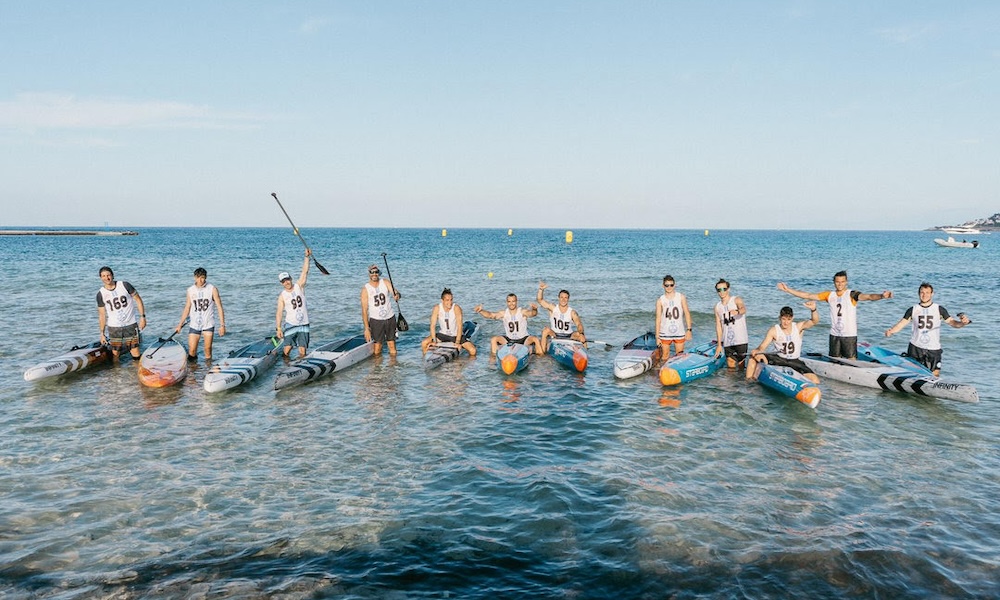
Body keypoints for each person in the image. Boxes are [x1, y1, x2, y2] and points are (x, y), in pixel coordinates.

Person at [777, 270, 892, 359]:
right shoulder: (829, 295)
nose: (840, 284)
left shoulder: (852, 294)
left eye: (842, 282)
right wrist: (788, 290)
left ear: (846, 282)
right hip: (834, 334)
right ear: (834, 282)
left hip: (849, 335)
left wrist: (881, 296)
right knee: (834, 361)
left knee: (851, 360)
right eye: (837, 282)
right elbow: (808, 295)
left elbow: (868, 297)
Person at [884, 282, 971, 376]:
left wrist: (962, 323)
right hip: (915, 347)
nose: (924, 295)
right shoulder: (913, 309)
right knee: (914, 374)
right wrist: (891, 331)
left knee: (935, 375)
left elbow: (953, 323)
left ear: (932, 294)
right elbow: (901, 324)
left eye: (927, 292)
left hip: (934, 349)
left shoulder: (939, 309)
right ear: (918, 294)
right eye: (922, 292)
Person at [746, 301, 821, 384]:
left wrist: (813, 310)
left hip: (794, 361)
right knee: (753, 357)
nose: (786, 322)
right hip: (778, 359)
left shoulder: (798, 327)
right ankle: (749, 383)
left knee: (815, 380)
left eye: (788, 319)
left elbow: (815, 321)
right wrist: (757, 350)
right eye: (783, 319)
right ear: (780, 318)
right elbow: (763, 346)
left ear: (792, 318)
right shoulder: (774, 330)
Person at [96, 266, 146, 361]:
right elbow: (102, 315)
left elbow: (138, 300)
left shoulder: (125, 285)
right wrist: (102, 333)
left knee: (135, 351)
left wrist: (142, 317)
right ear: (100, 278)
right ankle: (116, 374)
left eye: (108, 275)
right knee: (115, 354)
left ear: (113, 275)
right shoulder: (100, 294)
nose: (107, 278)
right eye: (104, 276)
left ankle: (136, 371)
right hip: (114, 327)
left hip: (130, 324)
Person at [175, 267, 225, 361]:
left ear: (205, 277)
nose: (200, 280)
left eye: (202, 277)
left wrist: (222, 325)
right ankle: (193, 371)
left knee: (207, 349)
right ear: (195, 277)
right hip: (194, 323)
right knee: (192, 350)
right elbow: (187, 307)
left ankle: (208, 369)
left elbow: (219, 307)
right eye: (198, 277)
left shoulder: (212, 289)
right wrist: (180, 324)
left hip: (208, 323)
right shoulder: (190, 290)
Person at [473, 293, 543, 355]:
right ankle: (494, 360)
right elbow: (491, 315)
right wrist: (481, 311)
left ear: (516, 302)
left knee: (535, 339)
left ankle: (541, 360)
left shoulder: (522, 312)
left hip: (523, 339)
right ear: (507, 302)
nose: (511, 303)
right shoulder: (504, 313)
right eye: (509, 301)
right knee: (494, 339)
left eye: (513, 301)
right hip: (510, 339)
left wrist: (534, 309)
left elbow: (532, 314)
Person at [276, 249, 311, 359]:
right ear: (281, 283)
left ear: (291, 279)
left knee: (302, 350)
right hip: (291, 324)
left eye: (287, 279)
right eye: (283, 281)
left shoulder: (298, 286)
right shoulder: (282, 296)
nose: (286, 282)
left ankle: (301, 367)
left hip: (304, 323)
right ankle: (285, 366)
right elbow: (279, 313)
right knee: (287, 348)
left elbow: (304, 272)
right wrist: (278, 328)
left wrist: (306, 257)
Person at [421, 288, 477, 356]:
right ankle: (425, 360)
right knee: (424, 342)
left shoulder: (456, 308)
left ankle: (465, 363)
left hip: (455, 336)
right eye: (447, 300)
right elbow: (432, 326)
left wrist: (457, 342)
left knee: (473, 350)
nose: (450, 302)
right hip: (443, 335)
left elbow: (459, 326)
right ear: (442, 300)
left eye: (451, 300)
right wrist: (434, 341)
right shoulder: (437, 308)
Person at [361, 263, 401, 356]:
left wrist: (397, 295)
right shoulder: (365, 289)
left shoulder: (385, 282)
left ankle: (394, 368)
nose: (374, 274)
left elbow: (395, 292)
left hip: (390, 317)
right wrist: (366, 328)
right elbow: (364, 311)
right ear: (369, 274)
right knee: (378, 346)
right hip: (376, 320)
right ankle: (377, 369)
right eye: (372, 272)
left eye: (376, 272)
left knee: (392, 344)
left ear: (379, 273)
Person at [536, 281, 586, 352]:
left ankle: (585, 354)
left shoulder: (572, 312)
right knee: (545, 330)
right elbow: (540, 300)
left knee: (581, 335)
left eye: (566, 298)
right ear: (558, 298)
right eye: (561, 297)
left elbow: (579, 324)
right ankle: (542, 354)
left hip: (569, 335)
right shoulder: (553, 308)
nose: (563, 299)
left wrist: (580, 331)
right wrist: (541, 290)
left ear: (568, 299)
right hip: (555, 335)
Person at [713, 279, 749, 368]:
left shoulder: (736, 300)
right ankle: (731, 382)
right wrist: (719, 345)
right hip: (727, 340)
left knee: (741, 365)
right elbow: (718, 326)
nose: (722, 292)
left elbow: (743, 309)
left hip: (740, 339)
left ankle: (740, 382)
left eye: (724, 289)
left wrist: (737, 311)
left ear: (728, 289)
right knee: (730, 366)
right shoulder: (717, 307)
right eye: (719, 290)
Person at [655, 275, 692, 359]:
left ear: (674, 285)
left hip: (679, 331)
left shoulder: (681, 297)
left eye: (671, 285)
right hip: (664, 332)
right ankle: (663, 371)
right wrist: (657, 337)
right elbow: (658, 319)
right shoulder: (660, 300)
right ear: (663, 286)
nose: (669, 287)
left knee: (679, 356)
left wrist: (689, 330)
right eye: (667, 285)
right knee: (665, 356)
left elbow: (687, 313)